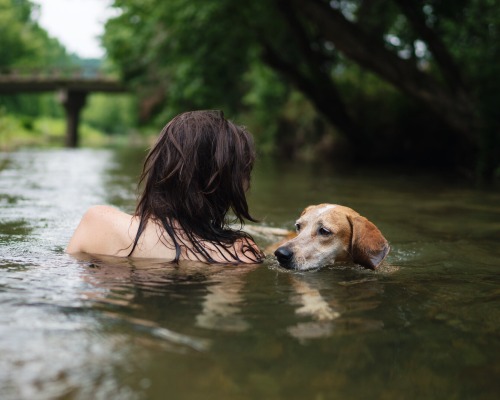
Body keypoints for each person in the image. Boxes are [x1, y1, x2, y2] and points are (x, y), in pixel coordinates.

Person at [66, 110, 264, 264]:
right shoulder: (240, 252)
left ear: (159, 166)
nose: (247, 184)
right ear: (225, 184)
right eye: (244, 172)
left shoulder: (98, 223)